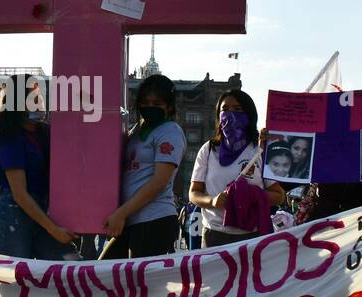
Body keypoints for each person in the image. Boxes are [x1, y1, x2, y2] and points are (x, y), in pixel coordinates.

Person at [0, 74, 75, 259]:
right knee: (15, 279)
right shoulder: (10, 137)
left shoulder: (46, 132)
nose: (40, 102)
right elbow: (20, 194)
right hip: (13, 214)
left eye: (40, 97)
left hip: (42, 212)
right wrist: (53, 229)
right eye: (33, 98)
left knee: (68, 266)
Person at [100, 74, 185, 259]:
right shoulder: (136, 131)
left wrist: (121, 213)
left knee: (139, 285)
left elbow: (159, 182)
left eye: (157, 103)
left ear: (169, 106)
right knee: (103, 274)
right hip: (130, 220)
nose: (150, 107)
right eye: (145, 102)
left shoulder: (170, 131)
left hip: (154, 221)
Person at [188, 89, 281, 247]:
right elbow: (194, 193)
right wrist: (212, 201)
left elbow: (279, 196)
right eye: (224, 109)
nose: (230, 114)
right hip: (214, 235)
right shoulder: (208, 149)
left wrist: (252, 195)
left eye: (237, 109)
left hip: (252, 237)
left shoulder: (259, 150)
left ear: (249, 115)